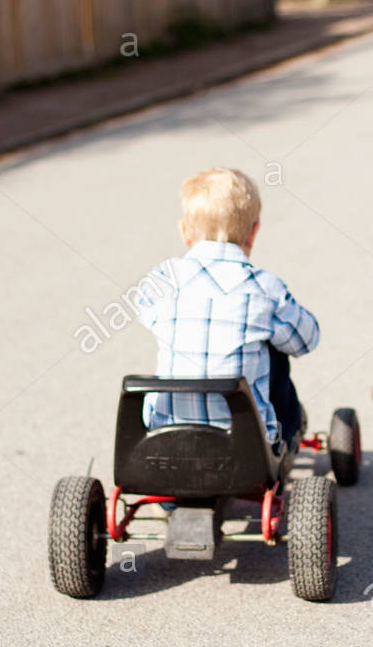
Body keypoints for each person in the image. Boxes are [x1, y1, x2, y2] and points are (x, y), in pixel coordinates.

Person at [135, 167, 319, 447]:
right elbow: (306, 341)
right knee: (276, 349)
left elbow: (144, 311)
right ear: (253, 232)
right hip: (245, 444)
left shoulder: (163, 279)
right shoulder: (264, 288)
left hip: (164, 435)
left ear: (185, 232)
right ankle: (289, 433)